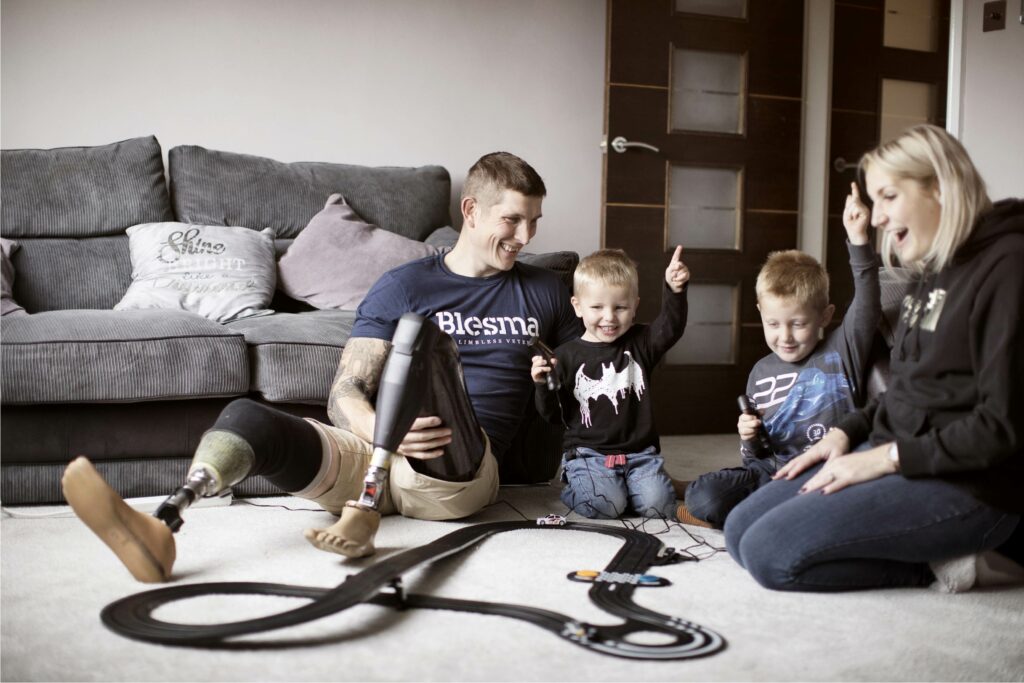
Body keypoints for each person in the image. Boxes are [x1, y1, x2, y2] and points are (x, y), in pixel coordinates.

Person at [61, 151, 582, 582]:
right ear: (471, 210)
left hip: (461, 467)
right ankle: (164, 523)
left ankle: (372, 501)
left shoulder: (546, 290)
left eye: (534, 221)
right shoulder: (404, 285)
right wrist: (382, 432)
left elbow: (591, 375)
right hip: (376, 455)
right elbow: (345, 391)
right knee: (247, 417)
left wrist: (556, 380)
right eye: (513, 219)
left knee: (426, 343)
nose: (525, 236)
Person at [724, 124, 1024, 592]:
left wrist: (885, 458)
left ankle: (944, 566)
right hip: (898, 452)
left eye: (888, 196)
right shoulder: (934, 268)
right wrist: (847, 432)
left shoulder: (1009, 265)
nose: (878, 217)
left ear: (939, 188)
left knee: (770, 554)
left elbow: (1003, 428)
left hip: (971, 484)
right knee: (739, 530)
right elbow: (908, 391)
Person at [680, 188, 880, 528]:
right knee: (705, 495)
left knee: (828, 507)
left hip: (823, 471)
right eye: (773, 324)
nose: (784, 336)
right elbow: (757, 456)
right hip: (771, 473)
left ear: (825, 316)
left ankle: (760, 517)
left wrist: (859, 239)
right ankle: (745, 511)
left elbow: (867, 301)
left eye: (798, 324)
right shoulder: (761, 371)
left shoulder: (842, 349)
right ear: (760, 312)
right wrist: (748, 437)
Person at [531, 246, 690, 519]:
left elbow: (670, 327)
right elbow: (553, 416)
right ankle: (575, 486)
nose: (609, 317)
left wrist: (675, 290)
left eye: (620, 307)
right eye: (597, 307)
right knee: (607, 505)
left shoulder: (641, 343)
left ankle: (639, 484)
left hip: (640, 455)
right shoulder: (565, 356)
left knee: (658, 506)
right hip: (589, 456)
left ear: (635, 306)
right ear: (577, 306)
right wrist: (542, 385)